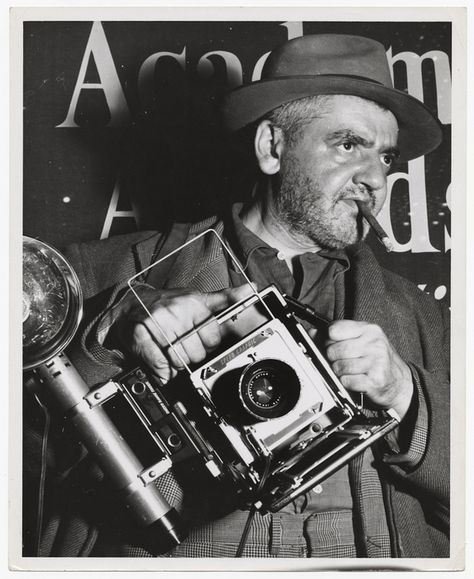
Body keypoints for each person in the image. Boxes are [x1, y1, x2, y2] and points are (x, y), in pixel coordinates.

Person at [31, 34, 449, 559]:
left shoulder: (423, 317)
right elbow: (24, 465)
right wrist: (108, 336)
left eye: (385, 157)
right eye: (348, 145)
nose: (374, 178)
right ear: (272, 147)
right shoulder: (96, 274)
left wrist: (409, 398)